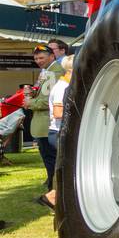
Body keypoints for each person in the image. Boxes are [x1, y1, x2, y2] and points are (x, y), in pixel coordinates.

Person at [24, 44, 64, 192]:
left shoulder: (53, 73)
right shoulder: (47, 71)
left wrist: (30, 102)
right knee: (50, 161)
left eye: (41, 57)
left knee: (51, 161)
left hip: (47, 124)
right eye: (36, 58)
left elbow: (48, 102)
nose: (38, 60)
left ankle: (53, 194)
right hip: (44, 124)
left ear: (52, 56)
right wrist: (31, 92)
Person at [39, 56, 74, 211]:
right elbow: (59, 113)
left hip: (59, 132)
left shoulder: (64, 86)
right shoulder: (61, 88)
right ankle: (52, 197)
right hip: (59, 132)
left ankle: (55, 198)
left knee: (65, 168)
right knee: (66, 168)